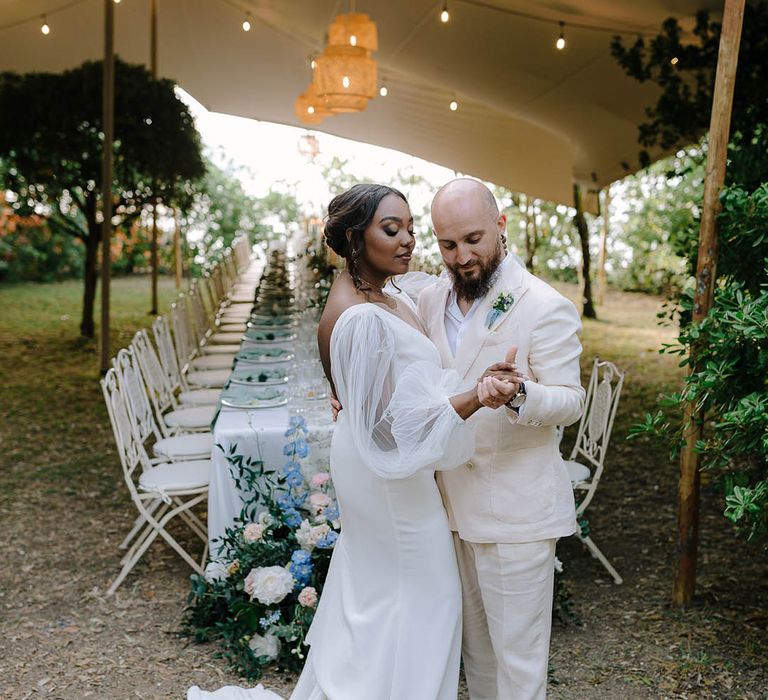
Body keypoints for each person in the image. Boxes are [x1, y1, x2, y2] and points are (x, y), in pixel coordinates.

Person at [188, 183, 523, 700]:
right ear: (353, 237)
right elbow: (391, 428)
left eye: (411, 228)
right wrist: (475, 398)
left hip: (380, 464)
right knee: (430, 595)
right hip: (388, 474)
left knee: (381, 594)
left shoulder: (384, 293)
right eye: (392, 230)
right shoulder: (359, 315)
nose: (409, 240)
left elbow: (387, 394)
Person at [417, 178, 585, 700]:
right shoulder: (428, 300)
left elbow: (571, 401)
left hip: (516, 515)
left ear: (500, 225)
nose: (462, 256)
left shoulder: (543, 305)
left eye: (472, 239)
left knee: (519, 666)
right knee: (478, 658)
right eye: (448, 244)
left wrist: (519, 394)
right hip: (449, 511)